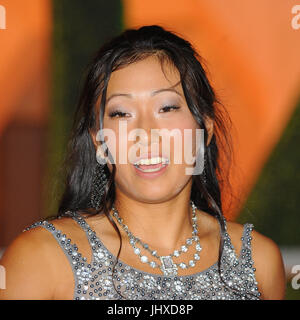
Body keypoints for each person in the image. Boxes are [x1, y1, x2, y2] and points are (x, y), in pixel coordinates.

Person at [0, 25, 286, 300]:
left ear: (204, 131)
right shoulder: (41, 261)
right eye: (121, 113)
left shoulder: (258, 263)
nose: (145, 134)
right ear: (100, 142)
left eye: (167, 107)